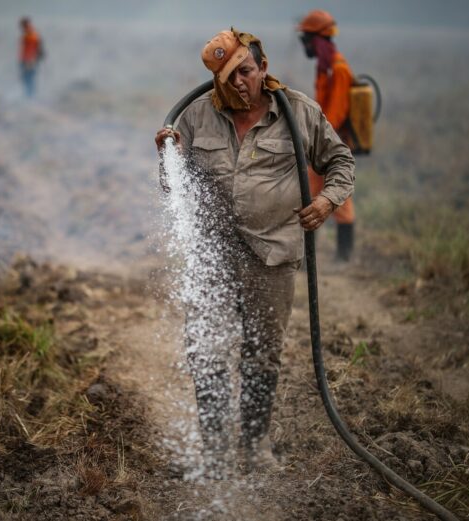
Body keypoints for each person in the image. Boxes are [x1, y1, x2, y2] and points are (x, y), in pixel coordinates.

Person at [155, 29, 354, 478]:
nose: (239, 82)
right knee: (205, 350)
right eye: (228, 77)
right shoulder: (195, 116)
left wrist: (327, 201)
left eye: (246, 71)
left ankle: (254, 445)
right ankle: (214, 451)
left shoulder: (298, 112)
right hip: (213, 255)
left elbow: (341, 162)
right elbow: (173, 189)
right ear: (216, 79)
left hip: (271, 257)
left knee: (262, 354)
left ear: (263, 68)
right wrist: (167, 159)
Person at [299, 10, 357, 261]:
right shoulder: (326, 67)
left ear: (317, 39)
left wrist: (314, 140)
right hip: (323, 141)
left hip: (331, 144)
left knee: (323, 195)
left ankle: (338, 256)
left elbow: (334, 114)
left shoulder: (338, 69)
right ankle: (334, 256)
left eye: (306, 39)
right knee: (318, 194)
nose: (305, 45)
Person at [18, 17, 44, 98]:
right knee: (26, 79)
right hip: (26, 60)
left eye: (23, 26)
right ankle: (29, 95)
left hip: (29, 60)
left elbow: (36, 49)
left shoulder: (31, 36)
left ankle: (30, 96)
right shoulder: (29, 35)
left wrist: (31, 61)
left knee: (29, 79)